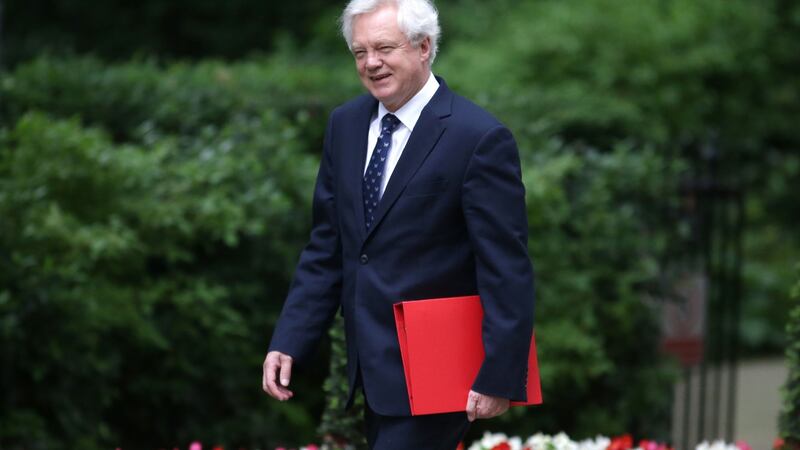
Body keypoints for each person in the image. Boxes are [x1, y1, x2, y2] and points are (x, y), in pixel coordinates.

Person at [262, 0, 535, 448]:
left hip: (442, 368)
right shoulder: (345, 125)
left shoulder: (479, 138)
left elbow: (506, 268)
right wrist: (290, 338)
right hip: (369, 367)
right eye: (359, 52)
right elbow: (328, 246)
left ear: (424, 47)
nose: (371, 63)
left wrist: (501, 374)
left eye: (384, 48)